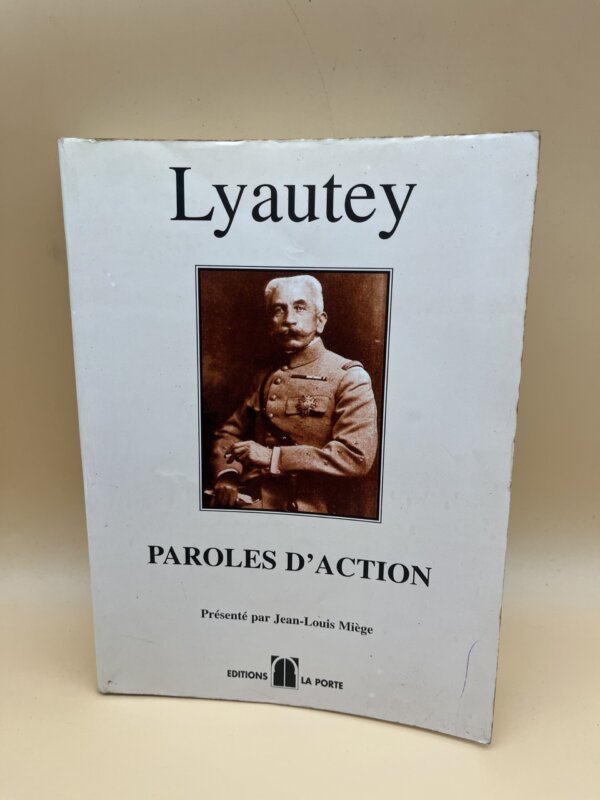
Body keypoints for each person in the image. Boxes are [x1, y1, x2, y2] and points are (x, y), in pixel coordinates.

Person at [210, 274, 378, 516]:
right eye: (279, 310)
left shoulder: (349, 377)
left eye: (300, 308)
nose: (289, 319)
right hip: (252, 504)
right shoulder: (265, 376)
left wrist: (274, 457)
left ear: (320, 320)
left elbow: (356, 457)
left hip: (312, 512)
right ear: (270, 324)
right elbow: (229, 433)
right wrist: (228, 473)